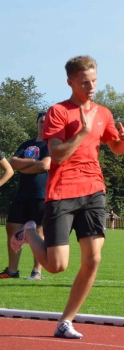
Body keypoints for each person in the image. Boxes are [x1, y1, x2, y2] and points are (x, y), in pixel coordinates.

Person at [10, 55, 124, 339]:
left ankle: (66, 320)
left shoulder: (103, 112)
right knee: (56, 266)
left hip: (93, 190)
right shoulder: (58, 112)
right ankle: (29, 232)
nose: (91, 87)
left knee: (93, 259)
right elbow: (58, 155)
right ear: (70, 82)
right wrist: (84, 131)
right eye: (84, 82)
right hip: (62, 192)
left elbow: (116, 148)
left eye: (94, 81)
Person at [2, 112, 51, 281]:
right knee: (12, 228)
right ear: (36, 123)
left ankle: (37, 271)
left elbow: (45, 165)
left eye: (47, 122)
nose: (44, 124)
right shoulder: (27, 144)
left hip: (41, 194)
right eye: (41, 121)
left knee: (38, 231)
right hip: (22, 193)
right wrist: (32, 164)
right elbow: (13, 163)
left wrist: (24, 165)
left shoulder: (52, 144)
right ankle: (12, 271)